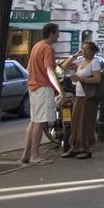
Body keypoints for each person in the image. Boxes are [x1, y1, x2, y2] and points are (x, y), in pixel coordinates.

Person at [20, 22, 64, 165]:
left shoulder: (36, 46)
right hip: (43, 87)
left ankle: (26, 155)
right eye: (58, 32)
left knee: (34, 121)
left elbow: (28, 69)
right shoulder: (47, 49)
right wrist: (60, 91)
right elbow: (49, 71)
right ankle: (34, 156)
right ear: (52, 33)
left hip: (33, 87)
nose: (59, 35)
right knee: (40, 122)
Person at [61, 41, 102, 160]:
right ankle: (75, 146)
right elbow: (64, 66)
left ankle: (85, 148)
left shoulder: (95, 62)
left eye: (86, 49)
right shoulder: (80, 61)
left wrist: (81, 78)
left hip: (88, 96)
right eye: (82, 49)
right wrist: (75, 55)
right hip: (79, 94)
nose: (83, 51)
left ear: (92, 51)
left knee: (86, 121)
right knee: (76, 120)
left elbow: (97, 79)